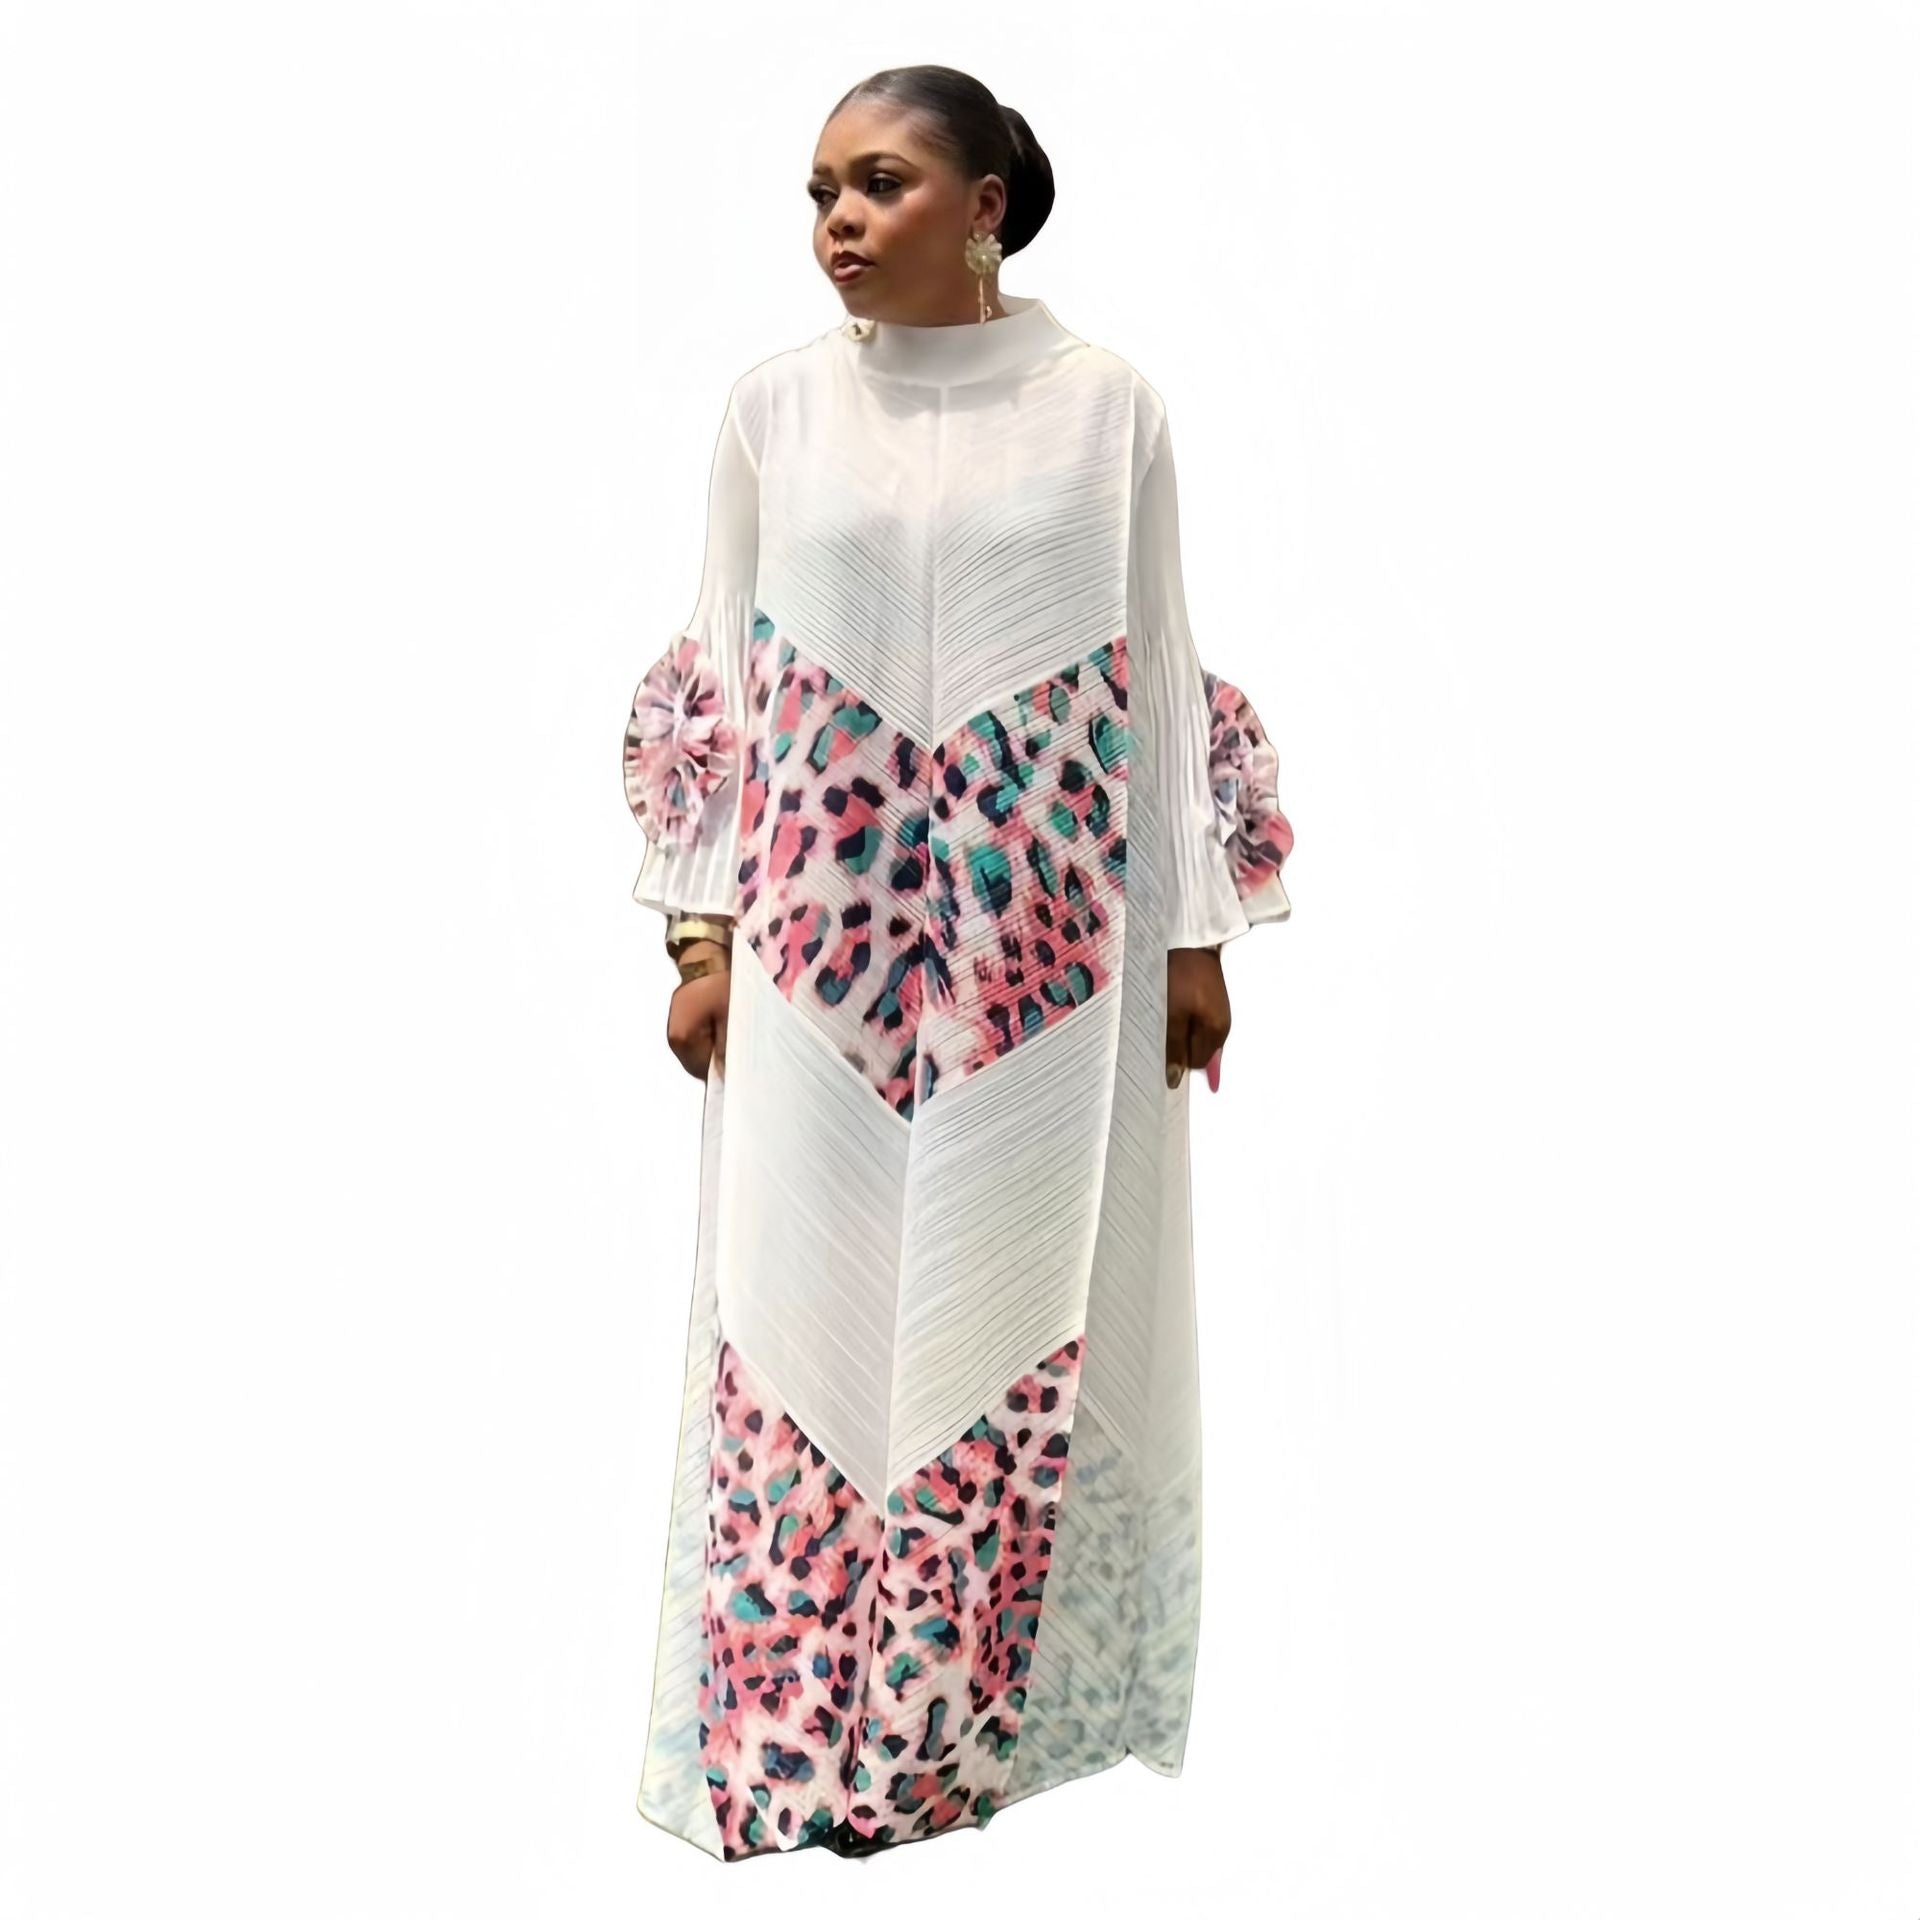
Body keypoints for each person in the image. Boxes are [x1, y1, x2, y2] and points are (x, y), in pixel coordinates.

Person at [622, 65, 1294, 1864]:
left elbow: (1158, 669)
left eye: (880, 184)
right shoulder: (774, 410)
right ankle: (788, 1744)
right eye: (819, 192)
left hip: (1044, 970)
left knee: (1010, 1329)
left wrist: (1195, 935)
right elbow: (719, 673)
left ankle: (943, 1742)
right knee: (798, 1323)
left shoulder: (1105, 409)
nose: (838, 221)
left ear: (986, 205)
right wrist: (700, 932)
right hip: (814, 965)